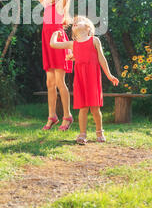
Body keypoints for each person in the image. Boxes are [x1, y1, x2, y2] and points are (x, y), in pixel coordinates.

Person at [22, 0, 83, 131]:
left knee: (60, 81)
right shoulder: (46, 4)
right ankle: (52, 116)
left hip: (58, 44)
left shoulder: (60, 5)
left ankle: (67, 116)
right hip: (48, 44)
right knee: (50, 82)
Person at [50, 15, 119, 144]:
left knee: (94, 108)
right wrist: (55, 34)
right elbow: (53, 44)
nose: (75, 23)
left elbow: (102, 59)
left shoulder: (94, 40)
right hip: (80, 79)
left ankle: (99, 132)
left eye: (79, 22)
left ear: (88, 27)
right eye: (74, 23)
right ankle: (82, 134)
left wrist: (109, 75)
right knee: (83, 108)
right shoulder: (72, 44)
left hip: (93, 77)